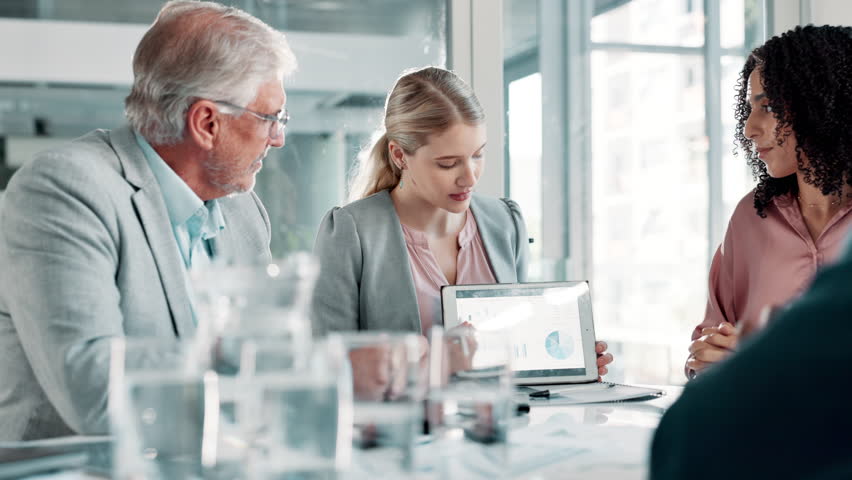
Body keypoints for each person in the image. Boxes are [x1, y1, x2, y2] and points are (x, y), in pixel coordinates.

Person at [0, 0, 295, 440]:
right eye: (270, 118)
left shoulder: (244, 213)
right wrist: (268, 362)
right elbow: (97, 394)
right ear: (207, 123)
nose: (279, 138)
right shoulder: (64, 190)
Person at [311, 66, 613, 380]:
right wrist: (436, 366)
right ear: (399, 155)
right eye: (448, 163)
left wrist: (560, 358)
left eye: (478, 155)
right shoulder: (350, 232)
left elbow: (516, 345)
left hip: (494, 423)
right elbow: (330, 372)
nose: (469, 177)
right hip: (402, 428)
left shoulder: (505, 222)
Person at [686, 25, 852, 378]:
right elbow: (706, 349)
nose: (749, 128)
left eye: (769, 107)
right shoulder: (750, 218)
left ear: (823, 102)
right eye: (749, 108)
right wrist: (706, 361)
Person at [650, 215, 852, 480]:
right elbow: (704, 351)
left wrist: (761, 357)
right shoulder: (750, 215)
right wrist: (713, 360)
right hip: (747, 432)